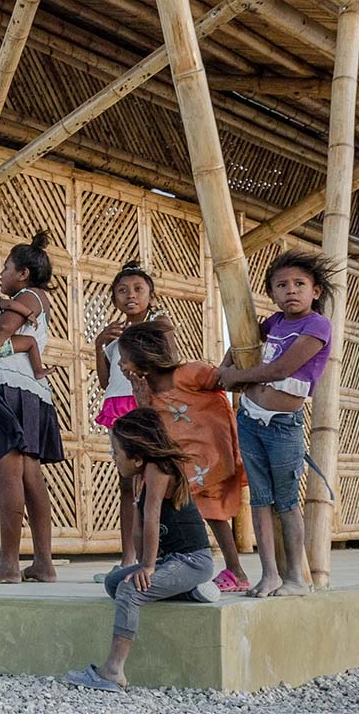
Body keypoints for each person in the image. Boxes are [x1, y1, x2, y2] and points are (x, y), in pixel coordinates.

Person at [65, 408, 215, 692]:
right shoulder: (144, 472)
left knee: (130, 591)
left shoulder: (160, 469)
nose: (112, 456)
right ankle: (189, 590)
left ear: (138, 456)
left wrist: (147, 566)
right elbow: (138, 525)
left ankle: (112, 671)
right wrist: (136, 561)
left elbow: (152, 518)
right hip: (173, 561)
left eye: (116, 451)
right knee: (114, 582)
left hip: (193, 560)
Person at [218, 249, 337, 598]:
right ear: (271, 292)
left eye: (300, 284)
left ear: (315, 291)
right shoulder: (275, 323)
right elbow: (245, 340)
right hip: (251, 419)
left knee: (286, 502)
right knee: (260, 499)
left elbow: (281, 369)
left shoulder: (317, 325)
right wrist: (226, 367)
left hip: (283, 424)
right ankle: (268, 574)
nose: (291, 291)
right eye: (281, 285)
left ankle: (295, 579)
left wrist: (235, 377)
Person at [0, 231, 64, 584]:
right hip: (32, 392)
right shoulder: (33, 299)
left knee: (8, 474)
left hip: (5, 385)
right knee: (30, 475)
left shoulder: (28, 296)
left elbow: (2, 330)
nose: (1, 275)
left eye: (6, 268)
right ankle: (43, 564)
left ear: (22, 273)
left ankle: (8, 564)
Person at [117, 320, 249, 593]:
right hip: (182, 460)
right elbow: (152, 424)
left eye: (124, 358)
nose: (121, 364)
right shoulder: (146, 388)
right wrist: (141, 401)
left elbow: (221, 377)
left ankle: (233, 570)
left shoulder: (189, 373)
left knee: (211, 513)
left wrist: (239, 351)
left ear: (144, 357)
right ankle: (178, 562)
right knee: (181, 510)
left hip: (209, 454)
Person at [93, 263, 178, 566]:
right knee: (127, 483)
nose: (131, 295)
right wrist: (99, 344)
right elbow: (105, 382)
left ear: (151, 296)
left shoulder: (158, 323)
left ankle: (157, 553)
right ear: (114, 299)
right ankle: (128, 556)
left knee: (154, 481)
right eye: (122, 290)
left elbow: (171, 361)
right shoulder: (114, 335)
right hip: (118, 408)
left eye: (138, 289)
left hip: (145, 406)